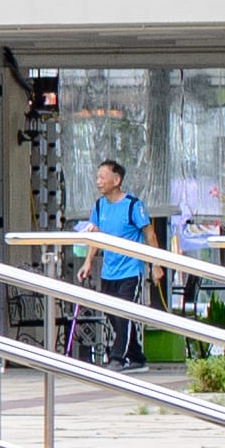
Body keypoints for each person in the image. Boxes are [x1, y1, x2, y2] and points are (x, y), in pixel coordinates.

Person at [82, 157, 156, 367]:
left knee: (123, 312)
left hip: (131, 270)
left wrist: (156, 265)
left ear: (116, 180)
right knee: (113, 314)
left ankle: (117, 357)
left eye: (102, 177)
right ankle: (136, 356)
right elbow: (95, 236)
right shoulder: (99, 206)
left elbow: (149, 233)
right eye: (97, 177)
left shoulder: (133, 205)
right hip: (109, 271)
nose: (98, 181)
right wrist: (88, 262)